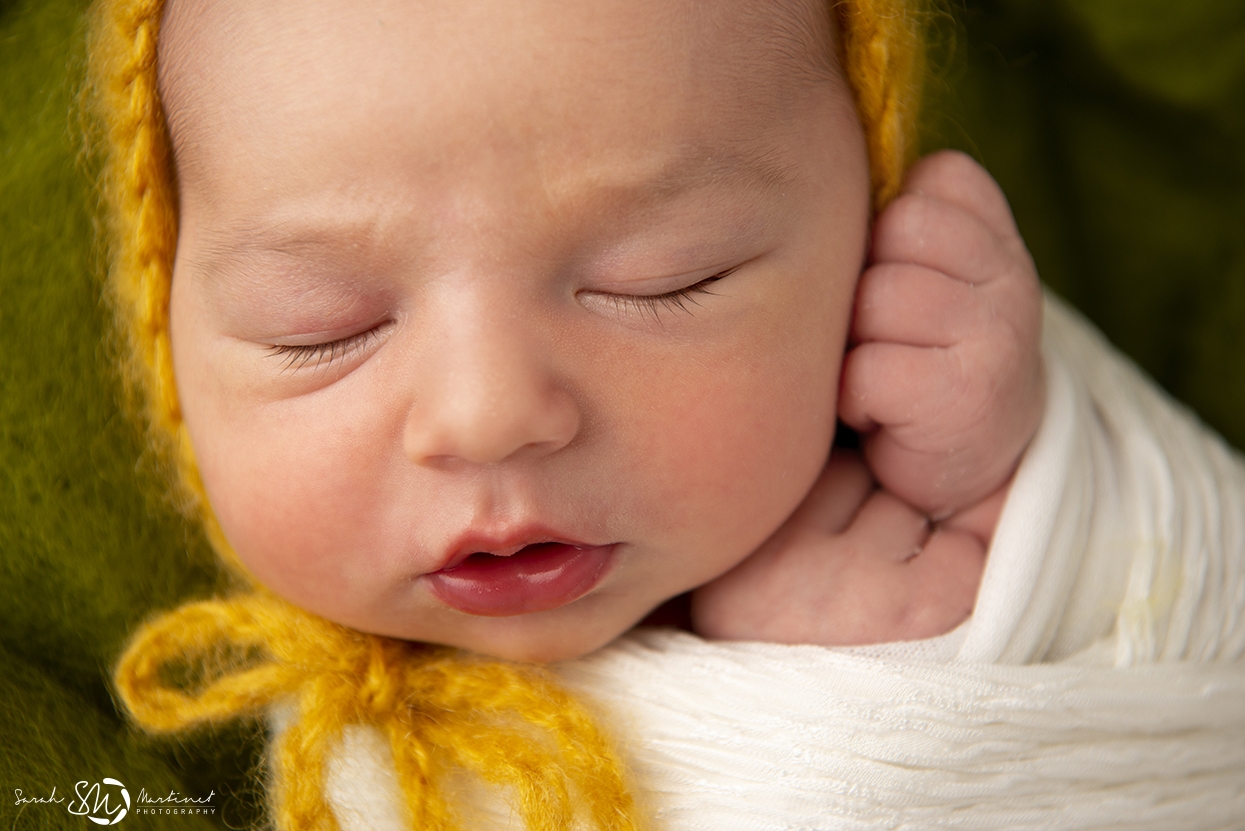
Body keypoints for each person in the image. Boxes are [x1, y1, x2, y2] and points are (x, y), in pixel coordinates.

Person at [91, 0, 1244, 828]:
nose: (489, 415)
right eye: (323, 326)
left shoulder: (947, 463)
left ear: (865, 235)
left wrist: (1016, 481)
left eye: (662, 278)